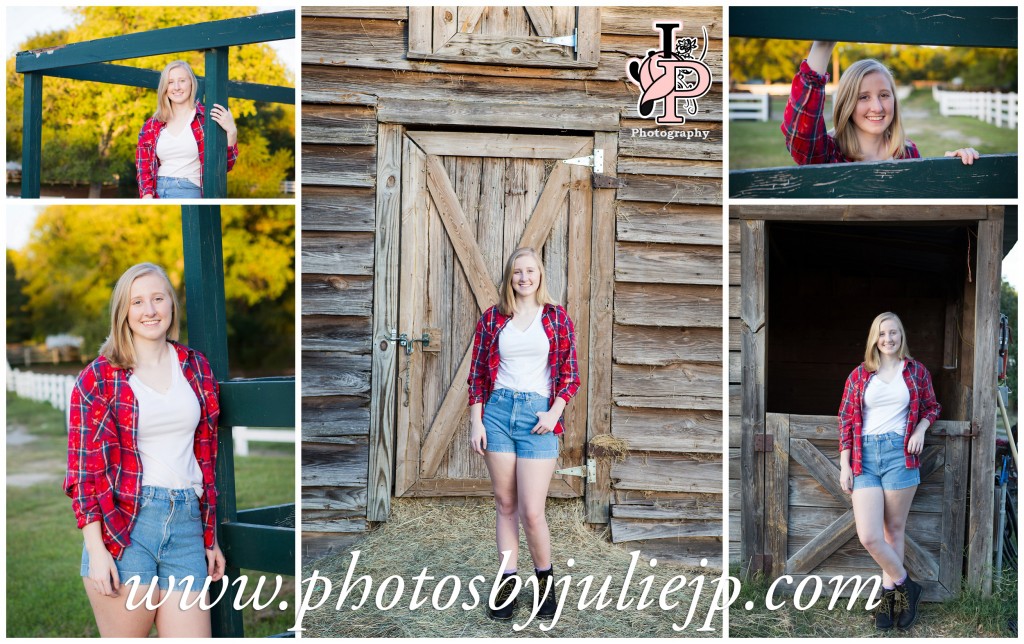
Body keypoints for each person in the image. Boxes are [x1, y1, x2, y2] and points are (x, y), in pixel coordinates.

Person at [65, 263, 225, 637]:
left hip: (186, 526)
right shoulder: (98, 378)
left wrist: (209, 537)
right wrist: (98, 550)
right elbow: (83, 474)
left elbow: (204, 460)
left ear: (171, 305)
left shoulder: (196, 368)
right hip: (125, 527)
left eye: (158, 298)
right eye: (137, 301)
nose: (149, 310)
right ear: (123, 311)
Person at [468, 247, 580, 621]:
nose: (524, 278)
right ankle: (506, 586)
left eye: (530, 271)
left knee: (532, 511)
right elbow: (477, 376)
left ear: (539, 275)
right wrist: (476, 421)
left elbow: (569, 374)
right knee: (505, 504)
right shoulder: (493, 319)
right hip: (497, 413)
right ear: (509, 277)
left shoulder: (556, 317)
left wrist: (555, 411)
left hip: (537, 418)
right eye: (517, 272)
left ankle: (546, 586)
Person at [838, 312, 940, 631]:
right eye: (882, 334)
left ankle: (889, 600)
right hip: (864, 457)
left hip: (900, 454)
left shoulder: (916, 371)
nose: (888, 339)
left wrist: (921, 428)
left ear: (901, 336)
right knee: (870, 535)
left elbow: (932, 406)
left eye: (893, 333)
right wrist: (844, 464)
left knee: (892, 532)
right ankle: (907, 586)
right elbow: (844, 420)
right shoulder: (859, 375)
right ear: (874, 338)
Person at [782, 41, 979, 165]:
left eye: (884, 95)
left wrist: (951, 169)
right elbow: (802, 131)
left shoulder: (907, 153)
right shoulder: (829, 154)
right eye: (863, 97)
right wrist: (823, 46)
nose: (877, 107)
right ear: (846, 104)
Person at [137, 60, 239, 199]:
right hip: (157, 190)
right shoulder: (152, 124)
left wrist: (232, 132)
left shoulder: (207, 118)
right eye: (171, 82)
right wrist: (147, 196)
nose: (176, 87)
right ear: (165, 87)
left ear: (192, 83)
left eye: (182, 80)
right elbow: (144, 166)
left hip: (189, 189)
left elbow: (224, 167)